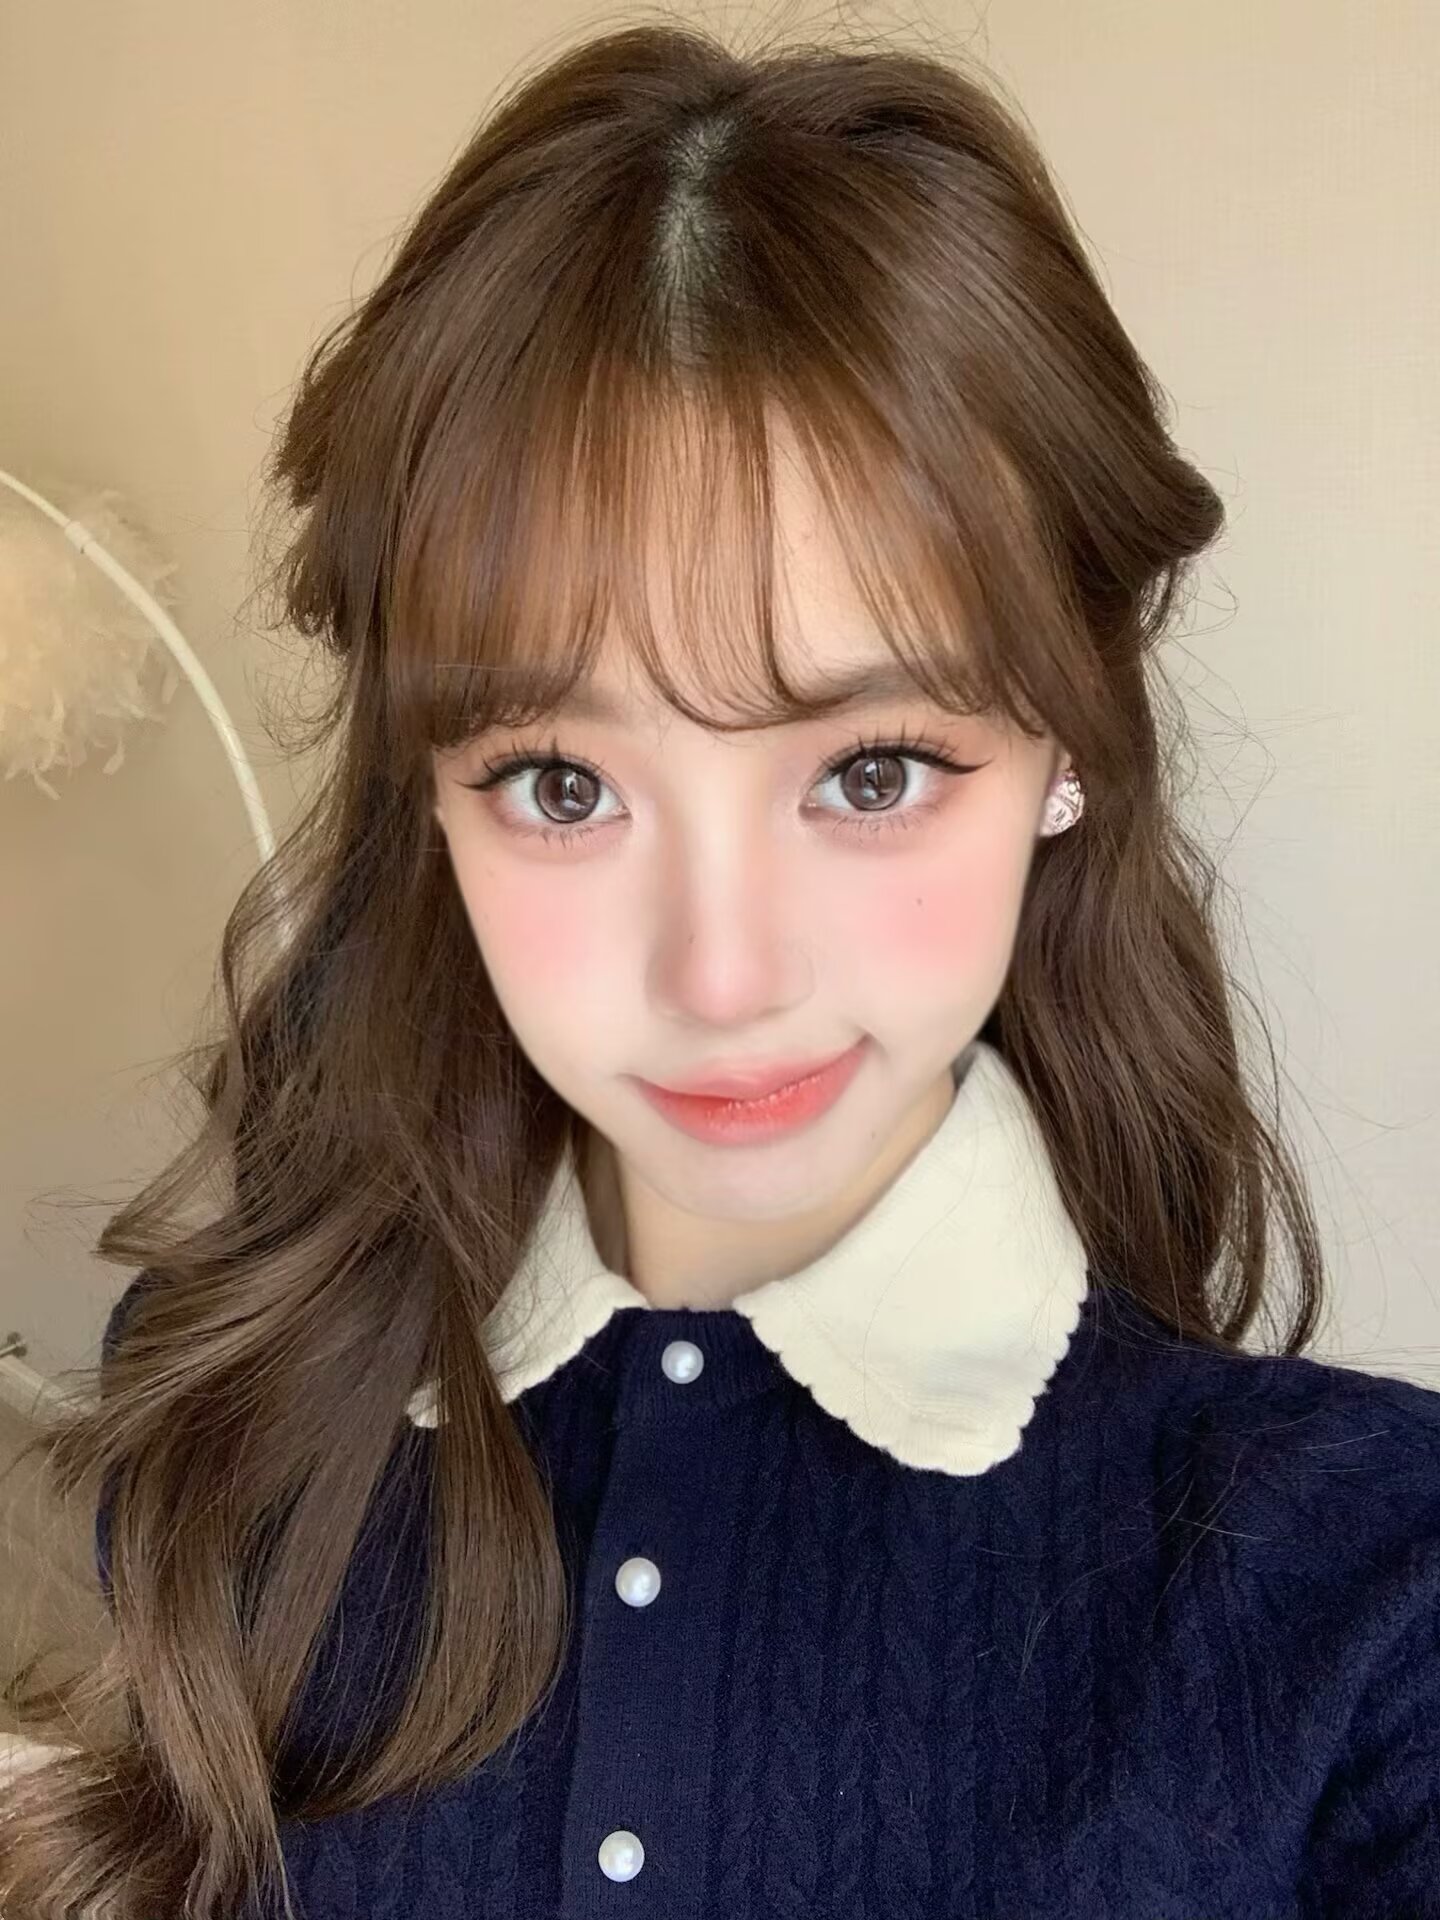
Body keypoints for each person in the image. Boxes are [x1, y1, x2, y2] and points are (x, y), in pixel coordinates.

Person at [3, 19, 1437, 1919]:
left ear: (1070, 744)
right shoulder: (247, 1436)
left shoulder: (1366, 1592)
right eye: (563, 784)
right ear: (432, 799)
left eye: (871, 772)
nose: (722, 972)